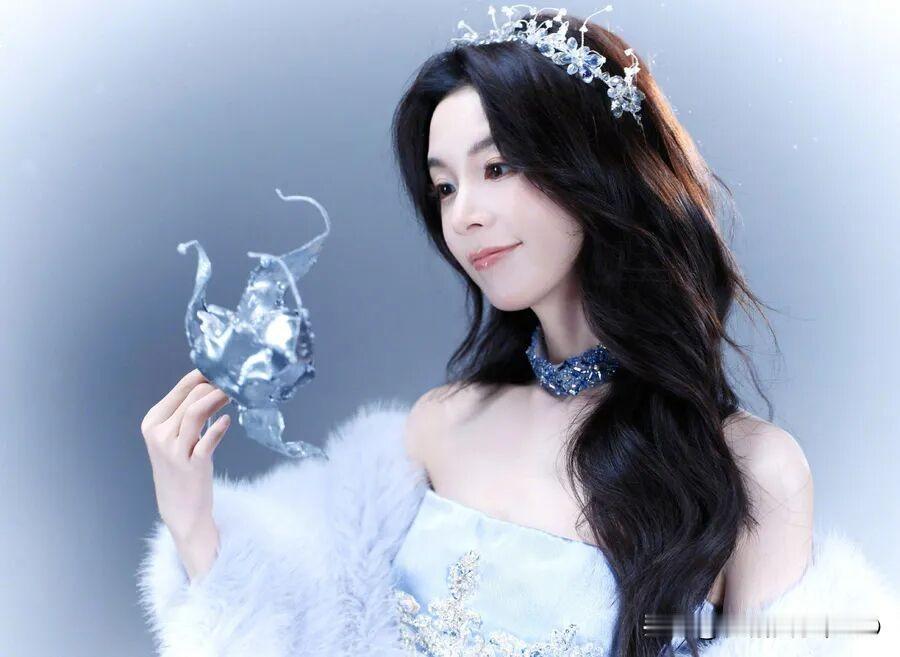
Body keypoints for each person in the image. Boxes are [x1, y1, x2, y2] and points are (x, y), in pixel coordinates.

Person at [137, 8, 899, 657]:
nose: (463, 214)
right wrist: (194, 519)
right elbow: (310, 630)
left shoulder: (753, 471)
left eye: (497, 168)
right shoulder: (441, 425)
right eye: (444, 186)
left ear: (594, 170)